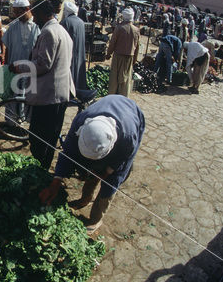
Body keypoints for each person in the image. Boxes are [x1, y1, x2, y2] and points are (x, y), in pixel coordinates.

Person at [39, 95, 144, 233]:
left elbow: (121, 160)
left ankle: (96, 219)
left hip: (130, 115)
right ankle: (85, 198)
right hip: (107, 109)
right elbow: (68, 152)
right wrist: (56, 182)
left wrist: (105, 172)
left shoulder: (128, 137)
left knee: (111, 182)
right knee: (90, 171)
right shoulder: (81, 121)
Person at [9, 0, 74, 170]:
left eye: (35, 14)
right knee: (49, 138)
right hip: (59, 94)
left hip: (49, 96)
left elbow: (43, 65)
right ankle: (43, 168)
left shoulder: (49, 32)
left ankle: (40, 170)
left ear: (44, 14)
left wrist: (18, 67)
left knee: (39, 139)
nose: (34, 18)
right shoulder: (61, 31)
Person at [2, 0, 40, 125]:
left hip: (31, 68)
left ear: (27, 10)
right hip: (14, 66)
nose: (16, 15)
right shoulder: (13, 27)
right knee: (12, 94)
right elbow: (6, 47)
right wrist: (7, 66)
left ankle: (23, 120)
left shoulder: (37, 26)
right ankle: (11, 122)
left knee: (27, 94)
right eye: (15, 12)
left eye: (18, 12)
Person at [106, 7, 140, 97]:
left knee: (114, 79)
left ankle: (111, 97)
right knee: (126, 80)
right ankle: (124, 98)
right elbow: (137, 47)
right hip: (130, 57)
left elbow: (113, 43)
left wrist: (108, 54)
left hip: (118, 56)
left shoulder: (119, 28)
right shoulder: (136, 30)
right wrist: (135, 60)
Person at [60, 0, 87, 90]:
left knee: (70, 70)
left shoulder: (65, 22)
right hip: (79, 50)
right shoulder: (81, 22)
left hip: (69, 52)